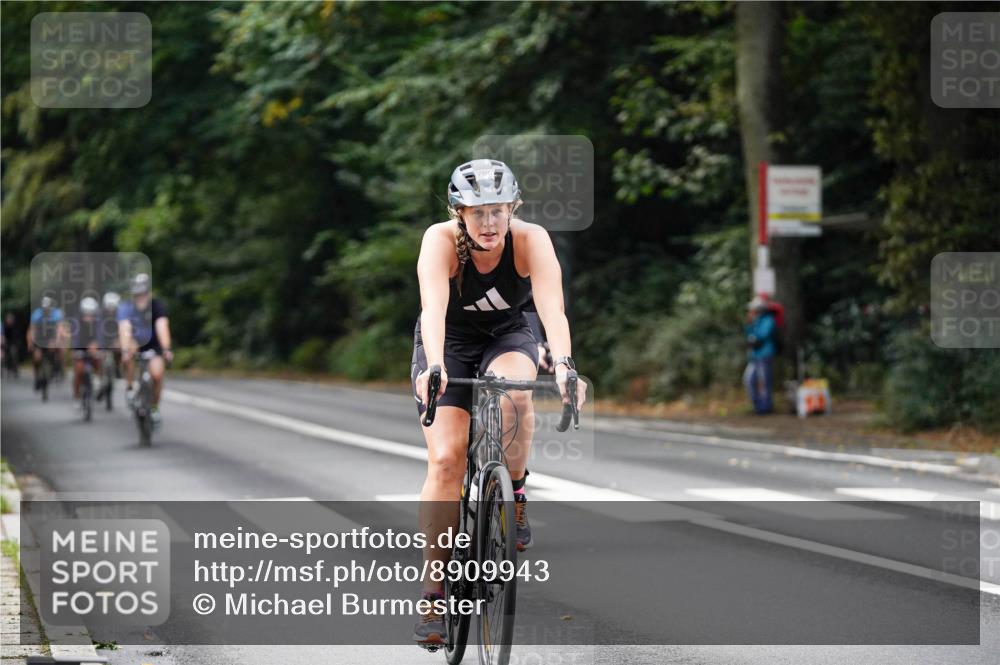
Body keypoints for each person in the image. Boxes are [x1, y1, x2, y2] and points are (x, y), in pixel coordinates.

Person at [410, 159, 588, 646]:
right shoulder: (440, 241)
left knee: (514, 395)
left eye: (498, 211)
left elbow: (552, 308)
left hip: (509, 333)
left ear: (514, 209)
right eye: (477, 212)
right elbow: (433, 306)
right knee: (445, 460)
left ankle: (515, 491)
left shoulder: (531, 240)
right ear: (458, 212)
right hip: (447, 341)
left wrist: (567, 365)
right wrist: (434, 367)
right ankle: (432, 592)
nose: (489, 224)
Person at [118, 274, 173, 425]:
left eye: (143, 293)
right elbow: (125, 329)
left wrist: (166, 348)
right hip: (134, 342)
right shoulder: (126, 307)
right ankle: (130, 387)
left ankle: (154, 407)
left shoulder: (157, 305)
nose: (141, 297)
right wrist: (125, 350)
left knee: (157, 375)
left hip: (153, 344)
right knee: (129, 353)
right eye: (137, 294)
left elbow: (162, 327)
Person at [744, 295, 777, 414]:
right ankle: (756, 405)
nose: (751, 312)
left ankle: (765, 407)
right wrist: (749, 323)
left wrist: (754, 335)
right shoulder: (754, 321)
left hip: (765, 354)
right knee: (749, 379)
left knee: (763, 382)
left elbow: (762, 335)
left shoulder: (768, 320)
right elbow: (748, 335)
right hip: (754, 356)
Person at [27, 296, 67, 391]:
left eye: (48, 308)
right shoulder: (36, 314)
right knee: (37, 357)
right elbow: (32, 330)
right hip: (39, 338)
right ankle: (37, 377)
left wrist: (58, 341)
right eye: (45, 308)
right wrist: (30, 342)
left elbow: (59, 329)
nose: (46, 310)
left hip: (51, 337)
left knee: (58, 349)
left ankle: (57, 369)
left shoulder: (56, 314)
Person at [71, 297, 104, 404]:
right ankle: (76, 396)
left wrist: (99, 347)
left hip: (94, 348)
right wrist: (75, 351)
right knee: (78, 371)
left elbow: (100, 336)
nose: (88, 317)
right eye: (86, 313)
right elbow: (75, 339)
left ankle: (97, 380)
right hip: (80, 348)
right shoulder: (76, 322)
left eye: (91, 314)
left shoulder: (98, 322)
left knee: (99, 359)